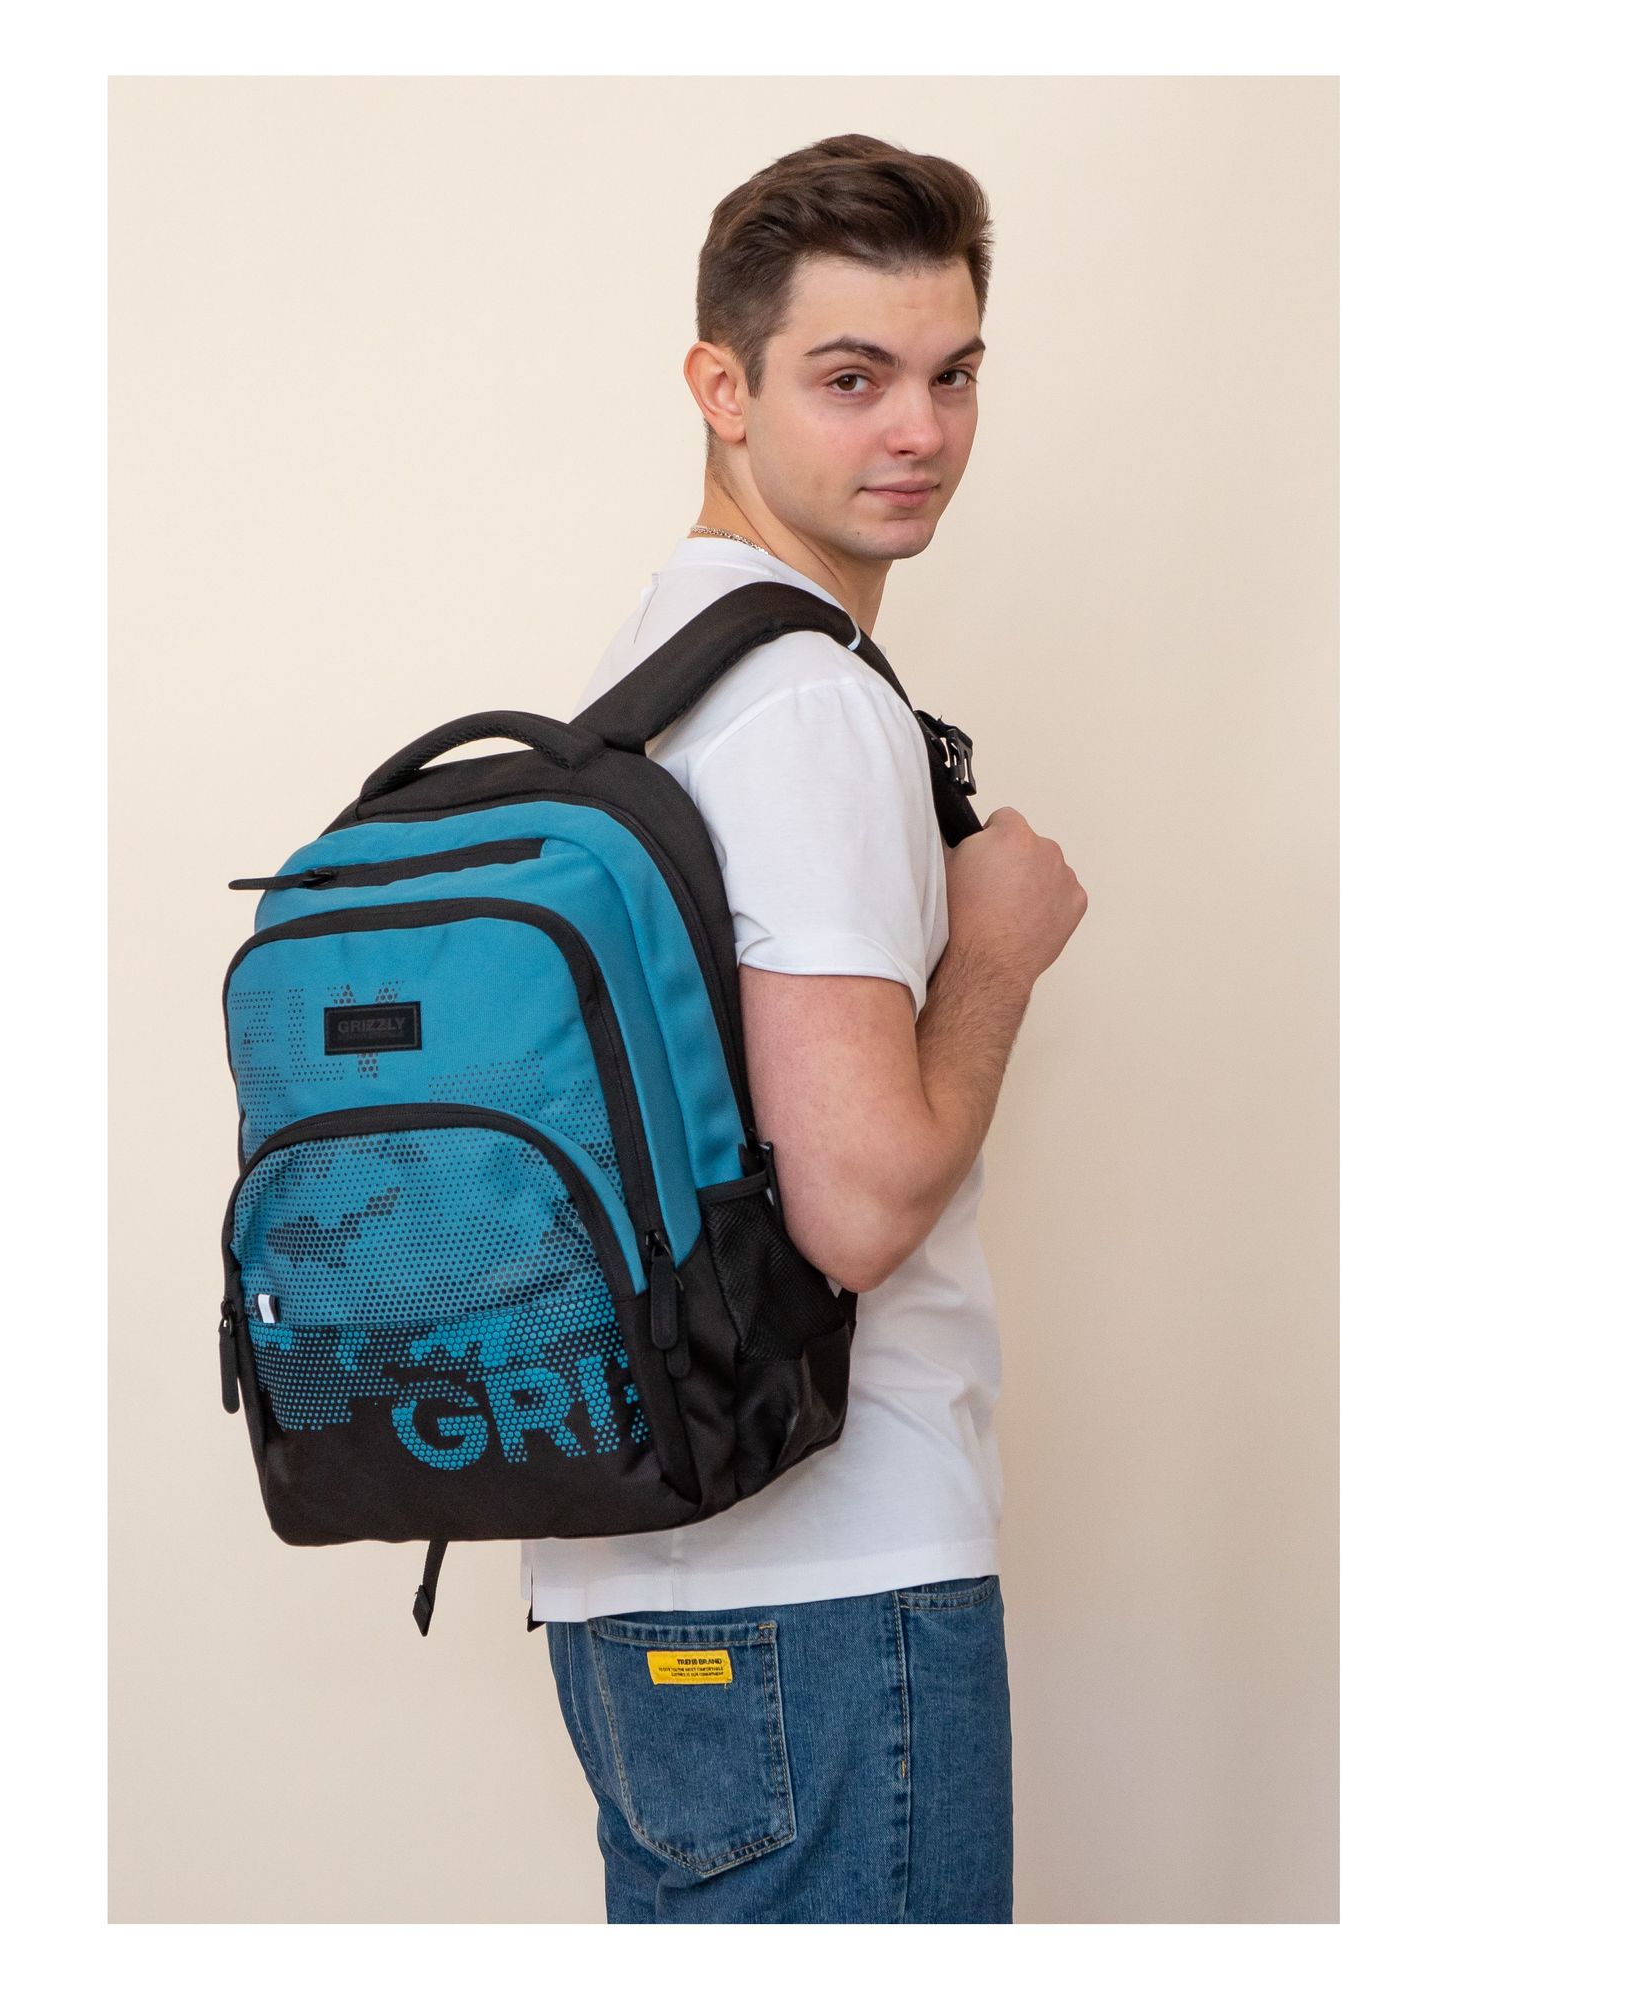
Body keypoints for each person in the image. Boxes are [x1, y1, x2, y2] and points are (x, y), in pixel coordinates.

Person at [523, 133, 1089, 1924]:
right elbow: (854, 1202)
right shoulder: (801, 704)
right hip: (833, 1587)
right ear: (723, 389)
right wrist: (997, 951)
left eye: (953, 374)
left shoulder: (654, 671)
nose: (919, 431)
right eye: (852, 379)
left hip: (645, 1574)